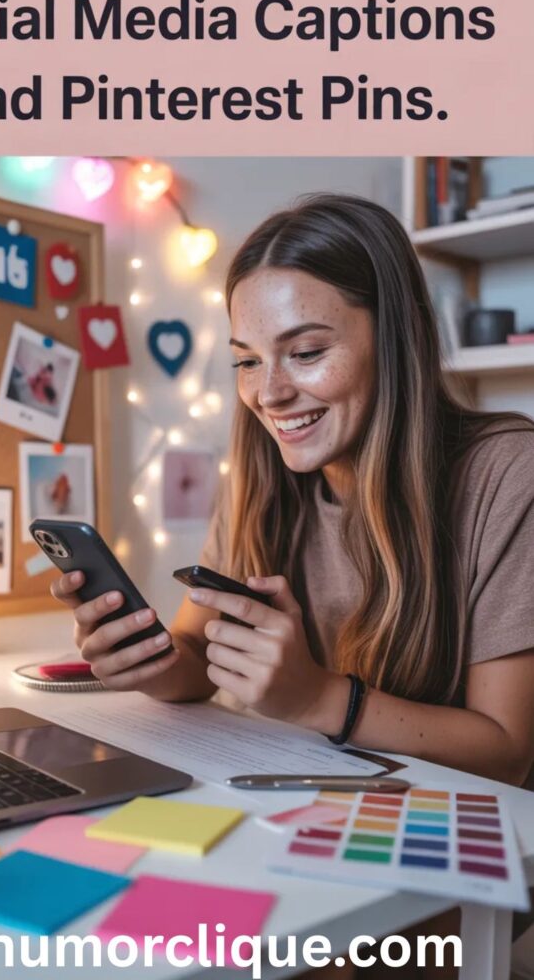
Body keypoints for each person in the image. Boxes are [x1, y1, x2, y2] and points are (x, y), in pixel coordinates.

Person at [52, 194, 534, 976]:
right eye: (246, 359)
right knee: (109, 928)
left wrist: (317, 699)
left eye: (304, 352)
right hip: (298, 813)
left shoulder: (507, 473)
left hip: (453, 849)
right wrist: (146, 659)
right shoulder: (260, 477)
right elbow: (193, 651)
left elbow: (508, 755)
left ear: (396, 339)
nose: (266, 393)